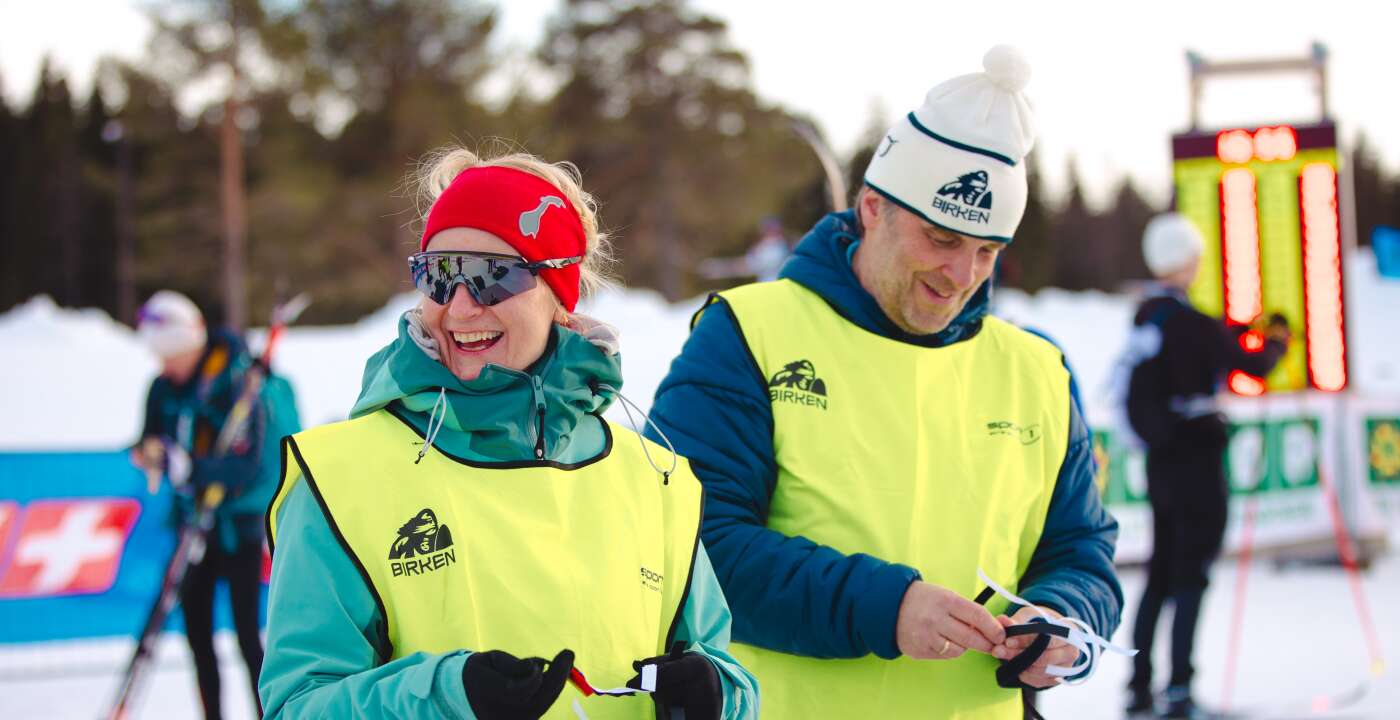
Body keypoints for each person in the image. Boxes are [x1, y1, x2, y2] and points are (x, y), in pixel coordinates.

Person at [645, 46, 1123, 719]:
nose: (961, 275)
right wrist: (884, 608)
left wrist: (1064, 619)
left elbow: (1081, 548)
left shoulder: (1036, 371)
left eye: (986, 252)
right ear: (873, 208)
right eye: (941, 239)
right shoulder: (748, 333)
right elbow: (690, 545)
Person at [258, 148, 759, 720]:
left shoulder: (654, 478)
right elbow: (298, 705)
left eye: (493, 277)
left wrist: (716, 694)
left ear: (560, 298)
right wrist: (445, 695)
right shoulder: (340, 478)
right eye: (440, 276)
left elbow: (725, 669)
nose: (462, 307)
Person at [1123, 214, 1289, 719]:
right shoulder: (1193, 323)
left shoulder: (1147, 317)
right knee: (1191, 575)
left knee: (1160, 573)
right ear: (1188, 260)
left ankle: (1140, 687)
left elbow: (1197, 337)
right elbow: (1251, 365)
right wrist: (1276, 338)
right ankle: (1180, 692)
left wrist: (1237, 328)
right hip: (1196, 462)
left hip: (1161, 462)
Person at [131, 290, 302, 720]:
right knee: (198, 639)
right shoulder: (163, 387)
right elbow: (149, 438)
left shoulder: (239, 382)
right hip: (191, 523)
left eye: (171, 356)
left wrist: (194, 469)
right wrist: (151, 452)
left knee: (249, 637)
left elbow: (251, 464)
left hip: (239, 527)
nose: (164, 366)